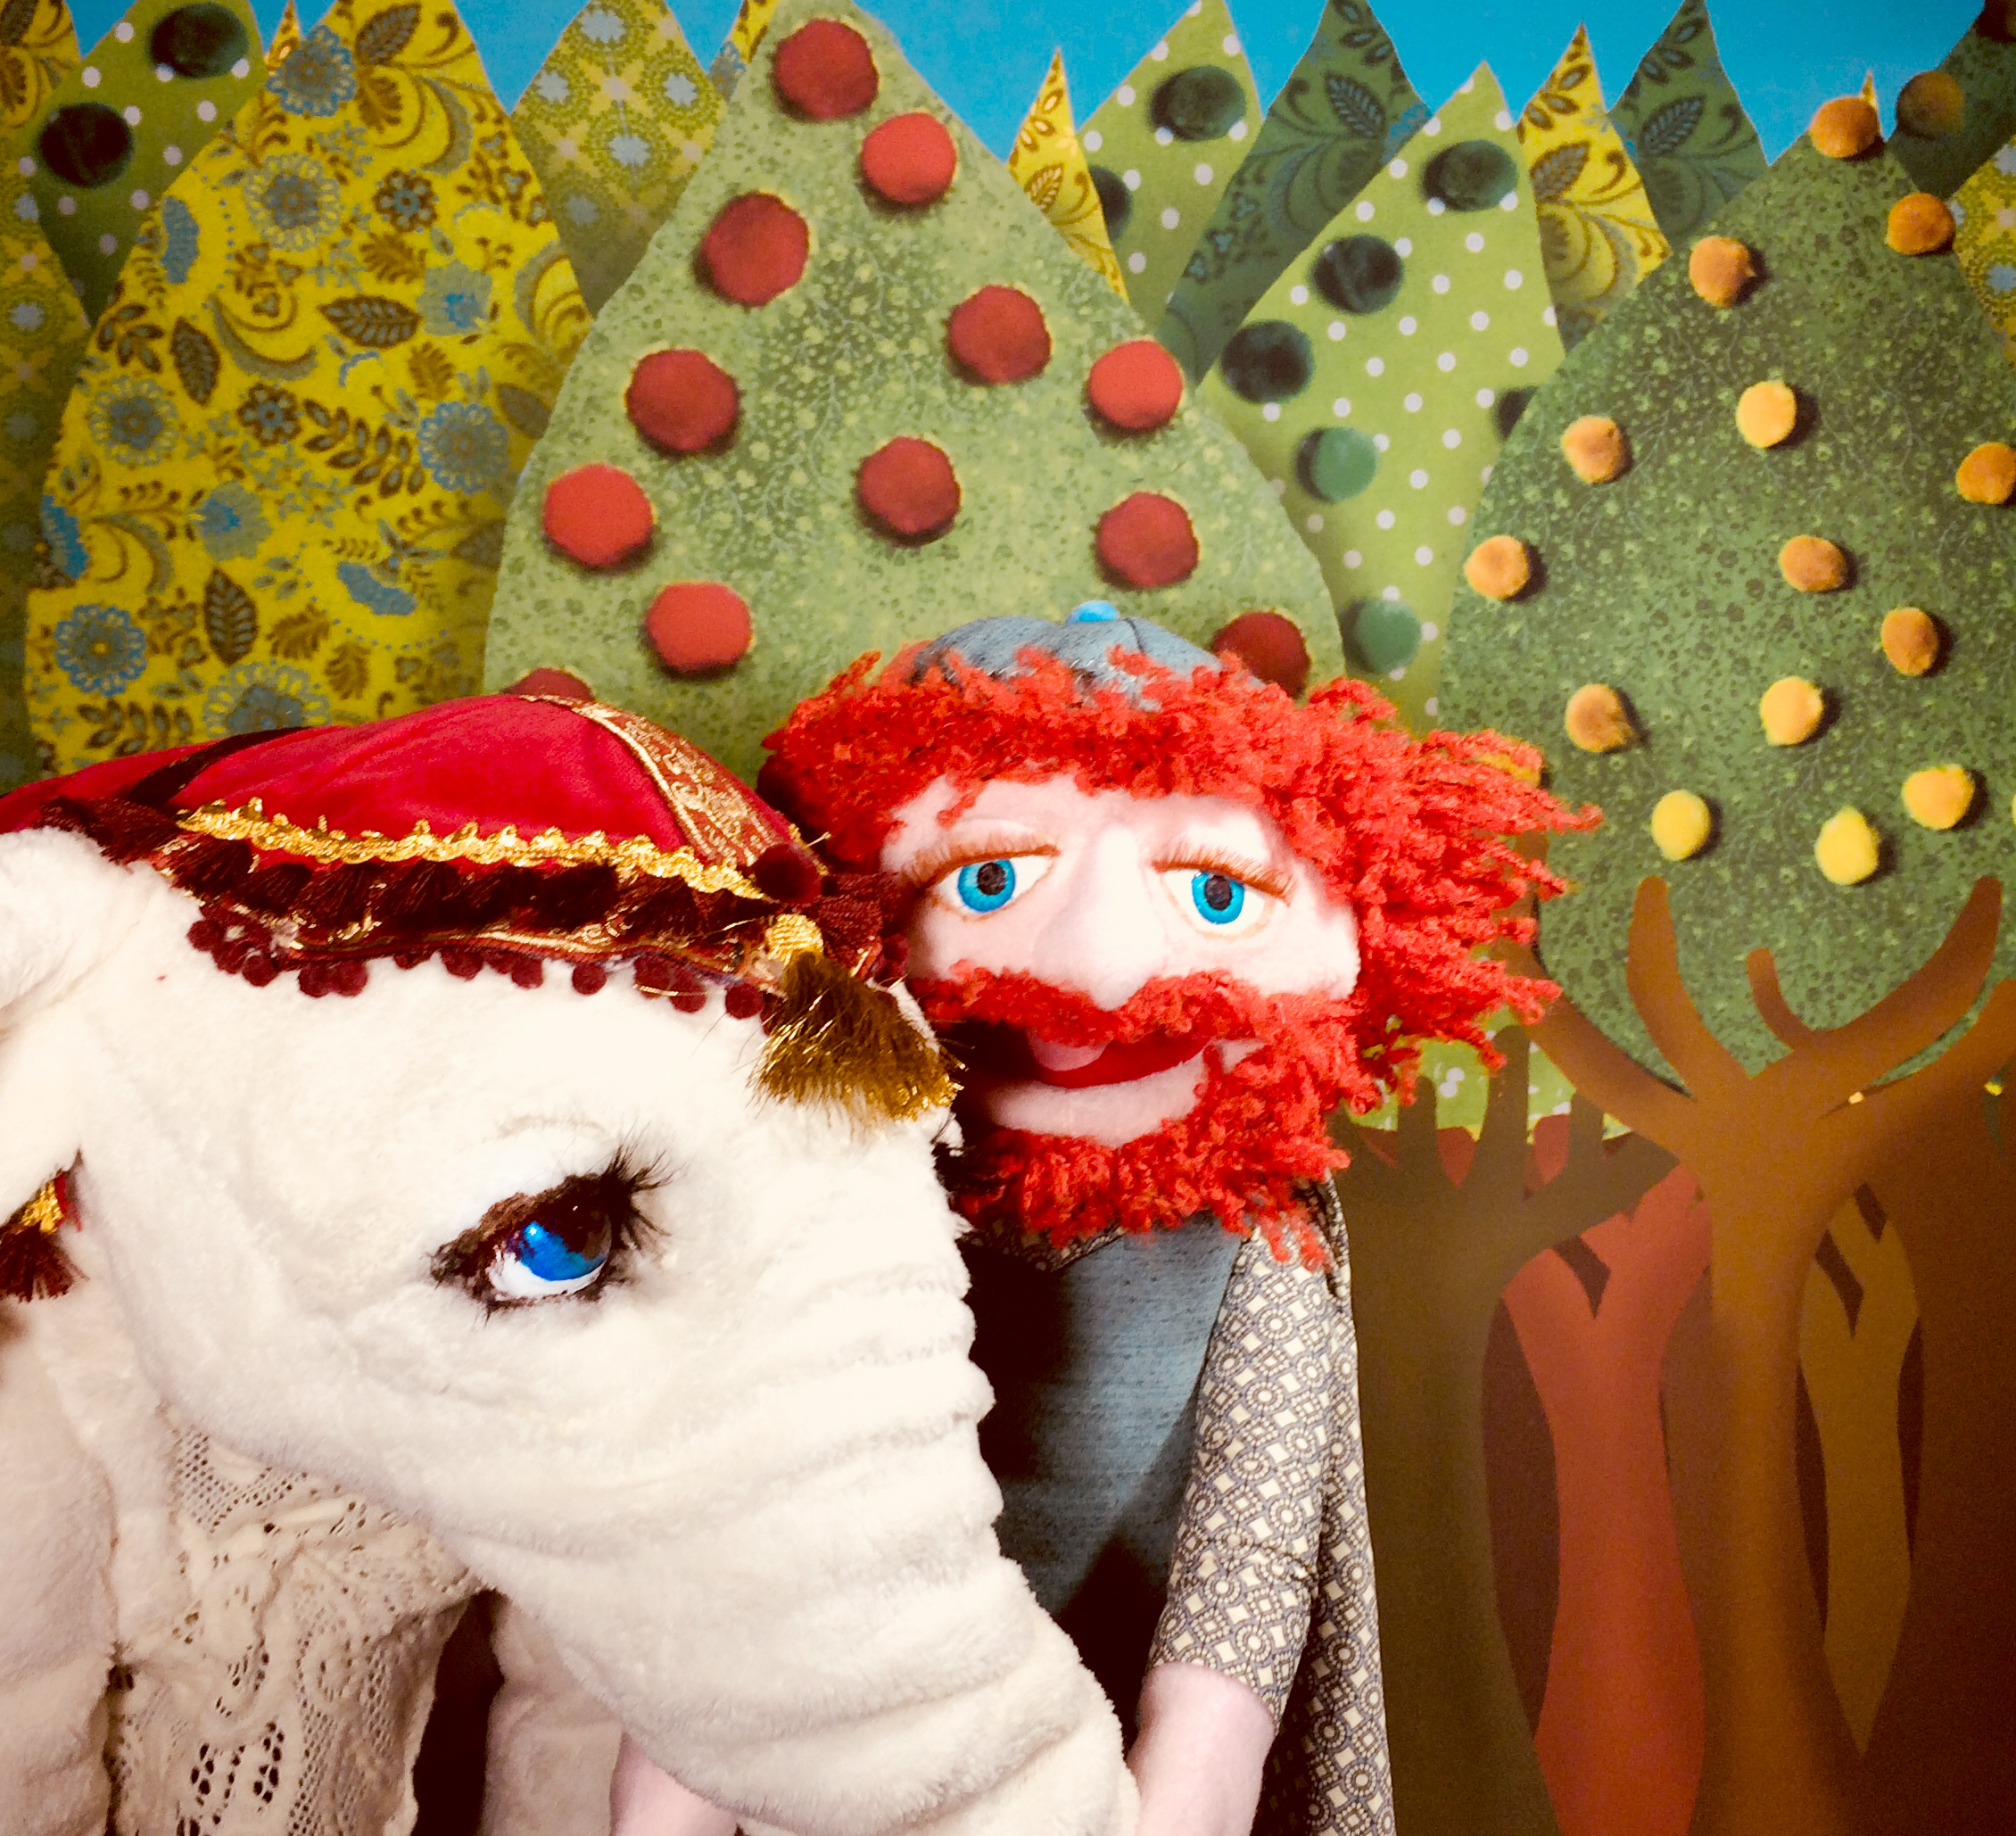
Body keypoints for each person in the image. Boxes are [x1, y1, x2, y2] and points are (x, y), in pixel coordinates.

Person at [617, 607, 1576, 1836]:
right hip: (850, 1740)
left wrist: (1188, 1789)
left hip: (1121, 1744)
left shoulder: (1253, 1240)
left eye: (1214, 891)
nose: (1100, 969)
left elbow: (1250, 1557)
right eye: (990, 878)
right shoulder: (841, 1195)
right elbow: (755, 1510)